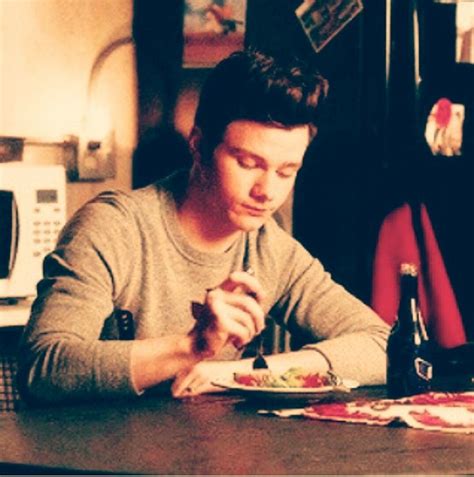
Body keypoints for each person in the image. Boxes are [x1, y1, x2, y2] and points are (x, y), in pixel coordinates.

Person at [18, 49, 389, 404]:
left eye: (286, 171)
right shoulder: (113, 228)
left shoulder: (271, 249)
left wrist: (245, 373)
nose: (267, 191)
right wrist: (193, 347)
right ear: (198, 145)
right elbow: (44, 368)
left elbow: (382, 345)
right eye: (247, 163)